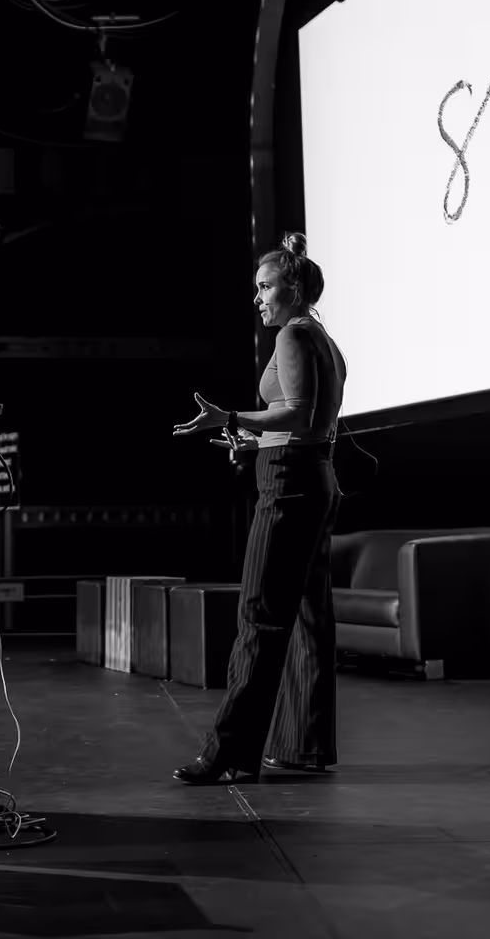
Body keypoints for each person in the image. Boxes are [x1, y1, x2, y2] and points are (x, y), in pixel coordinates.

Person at [170, 232, 347, 784]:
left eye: (265, 287)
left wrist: (232, 419)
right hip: (312, 473)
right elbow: (313, 422)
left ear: (292, 289)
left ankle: (228, 751)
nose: (258, 298)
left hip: (291, 485)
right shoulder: (321, 336)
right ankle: (302, 745)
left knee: (259, 620)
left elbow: (295, 412)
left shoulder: (293, 337)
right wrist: (251, 442)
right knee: (308, 619)